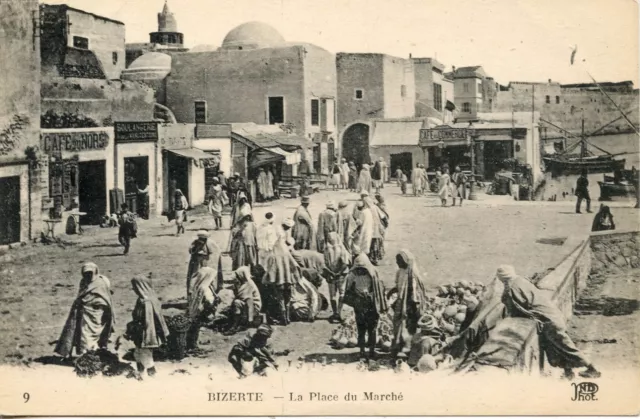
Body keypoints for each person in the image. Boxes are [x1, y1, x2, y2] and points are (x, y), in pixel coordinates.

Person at [496, 265, 601, 379]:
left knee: (565, 346)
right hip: (552, 314)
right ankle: (568, 373)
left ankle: (592, 369)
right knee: (555, 347)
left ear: (502, 277)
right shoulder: (520, 280)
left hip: (547, 319)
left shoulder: (511, 288)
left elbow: (515, 309)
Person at [55, 262, 115, 359]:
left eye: (90, 273)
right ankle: (86, 357)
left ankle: (91, 356)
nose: (88, 275)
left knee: (93, 335)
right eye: (86, 273)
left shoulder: (101, 282)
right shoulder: (83, 282)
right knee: (84, 335)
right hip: (84, 312)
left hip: (97, 313)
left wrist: (97, 306)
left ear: (95, 272)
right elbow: (81, 294)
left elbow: (106, 299)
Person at [343, 246, 388, 360]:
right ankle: (362, 350)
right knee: (361, 327)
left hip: (371, 303)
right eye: (358, 268)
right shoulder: (353, 274)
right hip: (360, 303)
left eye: (362, 269)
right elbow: (348, 289)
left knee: (372, 328)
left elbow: (379, 288)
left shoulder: (372, 273)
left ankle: (371, 350)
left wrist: (371, 295)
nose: (360, 271)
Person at [387, 250, 428, 358]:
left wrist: (412, 307)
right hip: (401, 303)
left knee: (408, 328)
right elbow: (398, 286)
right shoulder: (399, 272)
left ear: (406, 261)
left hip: (410, 305)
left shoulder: (413, 275)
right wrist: (391, 292)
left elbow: (416, 294)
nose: (397, 262)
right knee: (398, 325)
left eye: (399, 260)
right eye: (397, 260)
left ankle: (407, 350)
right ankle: (398, 346)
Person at [126, 275, 170, 377]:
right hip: (143, 332)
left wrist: (136, 332)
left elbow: (147, 321)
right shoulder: (149, 298)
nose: (134, 290)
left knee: (145, 355)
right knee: (138, 354)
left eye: (135, 287)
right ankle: (141, 373)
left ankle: (152, 374)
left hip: (146, 334)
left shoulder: (146, 302)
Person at [262, 221, 300, 325]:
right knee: (288, 299)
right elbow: (295, 266)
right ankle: (287, 318)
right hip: (288, 280)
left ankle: (283, 318)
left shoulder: (273, 255)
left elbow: (268, 268)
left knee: (280, 299)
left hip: (279, 281)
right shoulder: (287, 254)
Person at [187, 267, 221, 350]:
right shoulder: (204, 288)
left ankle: (193, 343)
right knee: (196, 327)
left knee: (196, 327)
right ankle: (193, 345)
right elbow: (207, 302)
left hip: (201, 312)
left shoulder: (204, 286)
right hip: (202, 312)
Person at [222, 267, 263, 335]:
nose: (236, 278)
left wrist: (250, 320)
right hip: (248, 306)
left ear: (241, 276)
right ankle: (236, 323)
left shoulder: (248, 285)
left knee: (236, 303)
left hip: (253, 308)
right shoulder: (245, 283)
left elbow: (250, 303)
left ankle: (235, 326)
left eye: (237, 276)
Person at [323, 232, 351, 323]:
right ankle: (339, 312)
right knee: (342, 293)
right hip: (341, 275)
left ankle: (335, 312)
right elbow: (345, 263)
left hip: (331, 275)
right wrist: (339, 273)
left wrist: (332, 272)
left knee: (332, 295)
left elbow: (325, 264)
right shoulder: (341, 249)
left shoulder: (326, 249)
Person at [187, 230, 216, 296]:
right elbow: (191, 251)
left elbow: (210, 252)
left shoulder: (208, 243)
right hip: (195, 263)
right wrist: (197, 248)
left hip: (204, 262)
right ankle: (192, 292)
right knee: (194, 277)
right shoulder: (195, 243)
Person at [362, 192, 386, 265]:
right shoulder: (375, 207)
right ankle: (375, 258)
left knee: (371, 243)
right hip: (376, 228)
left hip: (372, 229)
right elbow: (383, 216)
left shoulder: (366, 210)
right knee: (375, 243)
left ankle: (372, 258)